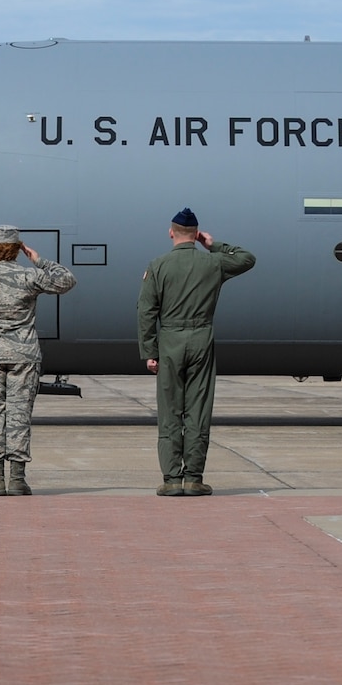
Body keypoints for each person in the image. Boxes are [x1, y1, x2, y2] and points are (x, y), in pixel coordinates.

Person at [136, 209, 254, 496]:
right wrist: (212, 244)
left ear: (171, 231)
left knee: (170, 411)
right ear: (196, 234)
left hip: (170, 340)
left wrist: (149, 351)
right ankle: (194, 478)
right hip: (202, 337)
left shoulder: (158, 265)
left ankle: (171, 480)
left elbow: (146, 311)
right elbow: (247, 259)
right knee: (198, 410)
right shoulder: (212, 262)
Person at [0, 225, 76, 495]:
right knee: (19, 413)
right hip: (24, 354)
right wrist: (39, 260)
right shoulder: (29, 276)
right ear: (17, 250)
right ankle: (18, 479)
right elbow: (66, 280)